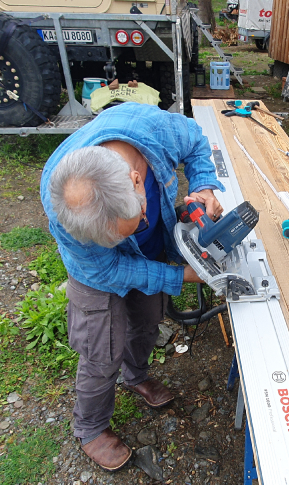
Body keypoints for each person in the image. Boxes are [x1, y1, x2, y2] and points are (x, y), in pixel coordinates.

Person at [39, 102, 224, 471]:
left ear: (137, 181)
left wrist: (203, 185)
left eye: (128, 226)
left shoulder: (158, 131)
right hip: (94, 271)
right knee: (100, 347)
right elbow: (109, 269)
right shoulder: (62, 201)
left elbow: (198, 144)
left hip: (149, 246)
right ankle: (90, 428)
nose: (123, 239)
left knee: (148, 317)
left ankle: (136, 376)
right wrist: (178, 276)